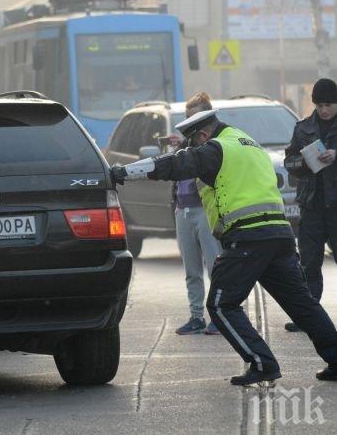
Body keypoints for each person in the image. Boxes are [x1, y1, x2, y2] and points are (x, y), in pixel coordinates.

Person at [112, 110, 337, 385]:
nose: (192, 148)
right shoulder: (248, 143)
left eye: (193, 142)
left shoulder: (215, 149)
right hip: (279, 235)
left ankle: (261, 363)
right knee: (303, 304)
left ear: (203, 135)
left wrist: (124, 172)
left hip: (248, 237)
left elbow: (173, 165)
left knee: (220, 304)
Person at [284, 78, 337, 332]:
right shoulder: (302, 128)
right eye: (319, 105)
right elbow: (290, 162)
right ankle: (308, 317)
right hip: (312, 205)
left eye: (328, 105)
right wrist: (304, 161)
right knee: (309, 263)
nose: (324, 110)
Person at [168, 92, 222, 335]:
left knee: (215, 266)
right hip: (183, 209)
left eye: (194, 118)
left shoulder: (212, 144)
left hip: (205, 210)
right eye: (187, 118)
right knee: (191, 270)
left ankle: (220, 316)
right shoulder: (185, 144)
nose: (189, 123)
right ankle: (196, 316)